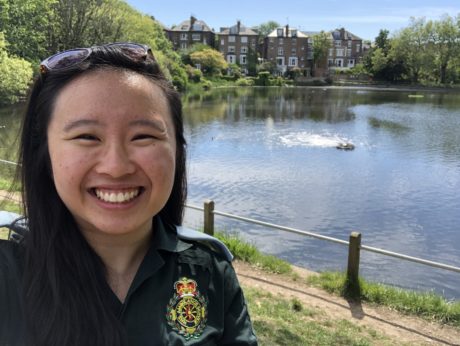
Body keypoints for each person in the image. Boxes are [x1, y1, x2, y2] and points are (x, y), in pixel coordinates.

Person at [0, 43, 257, 345]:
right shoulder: (8, 274)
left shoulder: (210, 269)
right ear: (44, 154)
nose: (116, 167)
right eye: (86, 136)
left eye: (143, 136)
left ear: (178, 149)